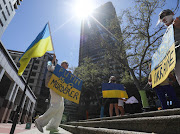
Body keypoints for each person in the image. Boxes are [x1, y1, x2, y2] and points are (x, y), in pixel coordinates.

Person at [35, 54, 69, 132]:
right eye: (64, 64)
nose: (66, 65)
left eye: (67, 65)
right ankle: (39, 121)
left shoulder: (65, 73)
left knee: (61, 107)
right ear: (61, 64)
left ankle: (52, 126)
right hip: (54, 88)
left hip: (61, 91)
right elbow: (49, 66)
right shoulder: (56, 68)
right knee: (56, 105)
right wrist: (53, 60)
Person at [158, 9, 180, 85]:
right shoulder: (165, 36)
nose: (163, 18)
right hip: (176, 61)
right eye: (161, 17)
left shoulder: (178, 20)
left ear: (172, 13)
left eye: (166, 14)